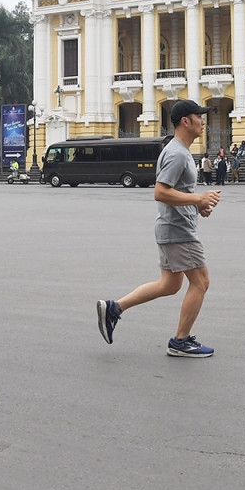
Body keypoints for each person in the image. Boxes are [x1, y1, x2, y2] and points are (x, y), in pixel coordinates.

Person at [97, 99, 220, 358]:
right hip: (178, 232)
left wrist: (197, 205)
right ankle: (180, 341)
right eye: (199, 116)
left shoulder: (179, 150)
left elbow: (176, 192)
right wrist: (198, 199)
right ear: (186, 121)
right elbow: (161, 192)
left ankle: (114, 308)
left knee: (169, 284)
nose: (203, 121)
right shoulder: (176, 153)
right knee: (201, 282)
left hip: (172, 228)